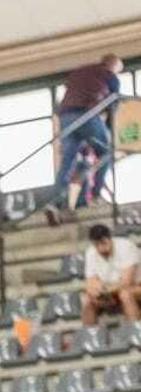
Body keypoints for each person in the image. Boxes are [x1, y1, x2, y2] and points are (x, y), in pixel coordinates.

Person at [54, 55, 123, 208]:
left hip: (65, 117)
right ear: (114, 66)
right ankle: (96, 194)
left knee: (68, 161)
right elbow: (113, 104)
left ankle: (56, 201)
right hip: (86, 114)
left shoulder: (79, 71)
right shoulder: (109, 75)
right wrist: (109, 130)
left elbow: (68, 91)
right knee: (107, 152)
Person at [82, 224, 140, 325]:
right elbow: (90, 282)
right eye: (97, 245)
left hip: (135, 287)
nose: (101, 248)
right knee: (86, 299)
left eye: (103, 243)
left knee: (125, 294)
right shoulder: (90, 252)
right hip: (110, 291)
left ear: (110, 238)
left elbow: (126, 282)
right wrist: (97, 292)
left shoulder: (126, 246)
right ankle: (90, 333)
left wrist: (105, 290)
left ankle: (136, 331)